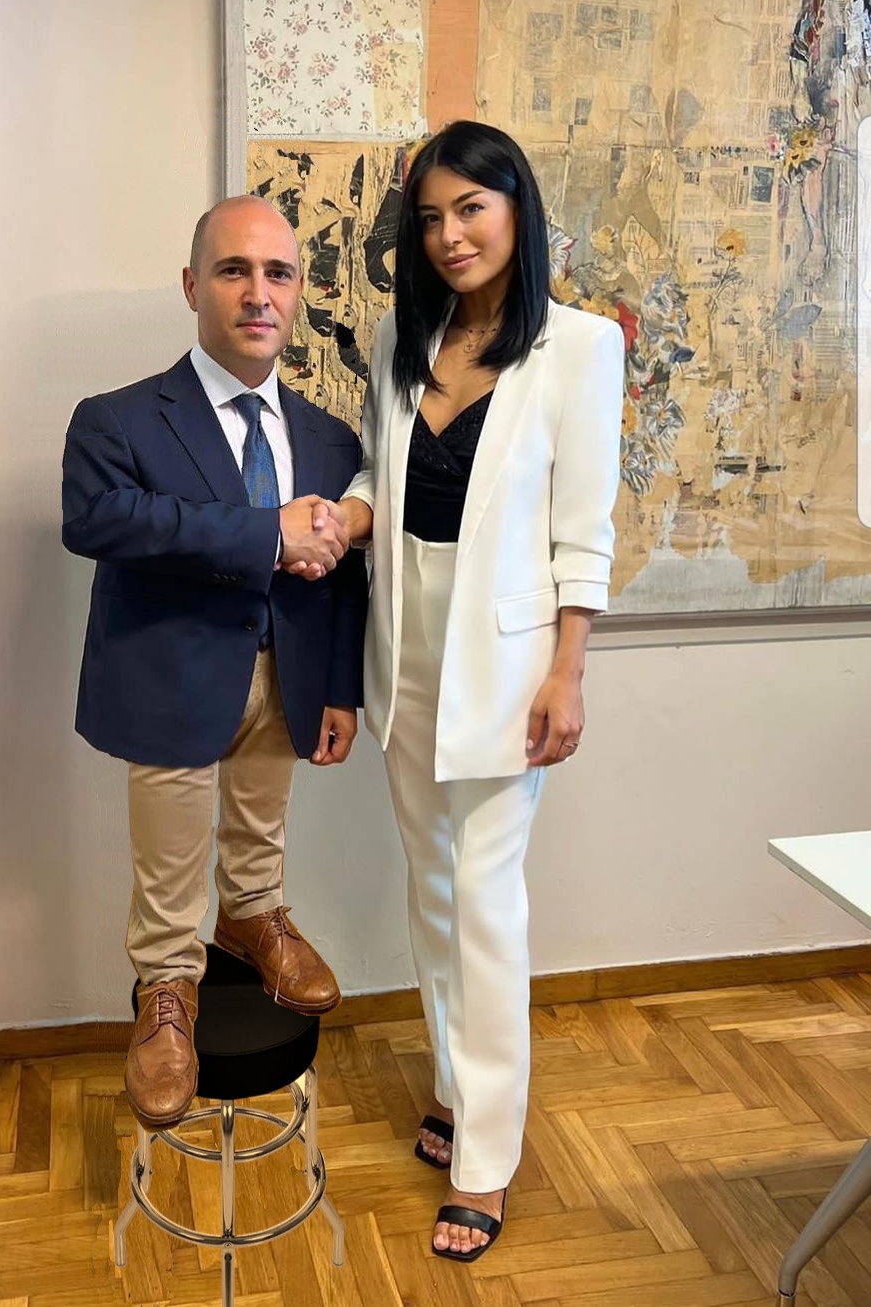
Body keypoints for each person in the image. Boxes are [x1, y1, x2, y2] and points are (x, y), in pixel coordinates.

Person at [323, 121, 623, 1260]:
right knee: (435, 890)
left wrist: (567, 669)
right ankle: (455, 1082)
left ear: (515, 212)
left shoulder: (580, 348)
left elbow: (584, 529)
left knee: (489, 903)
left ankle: (487, 1157)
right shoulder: (405, 336)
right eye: (432, 218)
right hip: (404, 646)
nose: (450, 235)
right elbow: (380, 470)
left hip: (508, 663)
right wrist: (349, 513)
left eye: (471, 210)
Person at [62, 196, 368, 1133]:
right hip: (172, 687)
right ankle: (166, 988)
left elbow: (345, 574)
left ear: (299, 292)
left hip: (288, 680)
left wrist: (341, 688)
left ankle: (254, 916)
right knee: (169, 866)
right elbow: (101, 519)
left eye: (278, 273)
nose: (257, 293)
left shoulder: (329, 437)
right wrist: (266, 533)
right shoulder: (118, 420)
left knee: (260, 830)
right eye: (235, 270)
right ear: (195, 286)